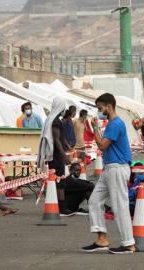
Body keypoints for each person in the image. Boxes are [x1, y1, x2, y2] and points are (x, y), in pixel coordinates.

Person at [82, 93, 135, 254]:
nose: (99, 111)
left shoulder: (116, 124)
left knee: (120, 207)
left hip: (117, 168)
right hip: (110, 168)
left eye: (100, 108)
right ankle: (102, 238)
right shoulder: (112, 123)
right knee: (94, 201)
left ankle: (128, 243)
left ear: (109, 106)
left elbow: (102, 145)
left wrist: (95, 128)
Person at [37, 97, 74, 216]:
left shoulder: (51, 119)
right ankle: (62, 207)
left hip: (55, 155)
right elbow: (56, 140)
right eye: (64, 107)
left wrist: (66, 146)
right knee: (60, 180)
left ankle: (58, 204)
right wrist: (64, 156)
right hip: (57, 155)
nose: (64, 110)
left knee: (57, 180)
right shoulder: (56, 121)